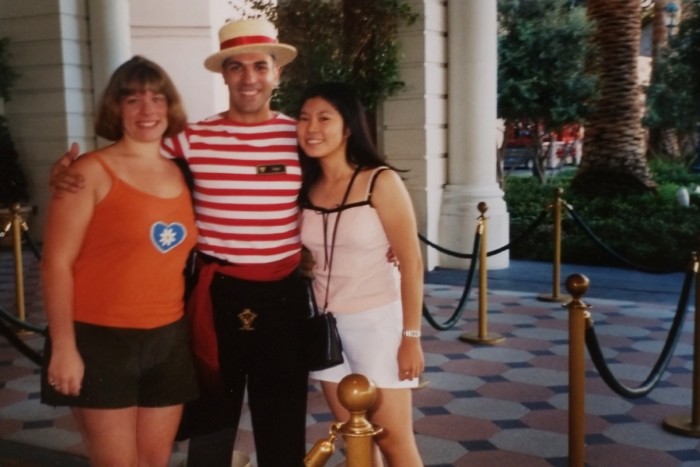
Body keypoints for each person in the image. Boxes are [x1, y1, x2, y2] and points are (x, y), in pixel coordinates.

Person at [51, 18, 309, 467]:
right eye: (236, 67)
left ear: (277, 73)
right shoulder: (190, 139)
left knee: (283, 415)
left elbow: (344, 183)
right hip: (217, 293)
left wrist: (381, 233)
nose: (249, 78)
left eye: (260, 66)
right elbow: (131, 155)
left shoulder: (300, 138)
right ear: (223, 74)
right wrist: (62, 177)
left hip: (283, 293)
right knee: (211, 416)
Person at [40, 56, 199, 467]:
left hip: (167, 339)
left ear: (170, 106)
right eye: (132, 100)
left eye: (157, 98)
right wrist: (63, 347)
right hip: (100, 340)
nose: (147, 110)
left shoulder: (184, 172)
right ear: (116, 108)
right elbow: (56, 262)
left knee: (154, 461)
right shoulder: (89, 172)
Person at [297, 82, 425, 467]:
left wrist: (411, 338)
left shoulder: (379, 182)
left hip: (376, 326)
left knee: (393, 442)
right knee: (356, 442)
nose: (311, 128)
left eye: (324, 118)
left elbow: (411, 262)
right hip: (324, 328)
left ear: (348, 126)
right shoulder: (303, 186)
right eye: (303, 119)